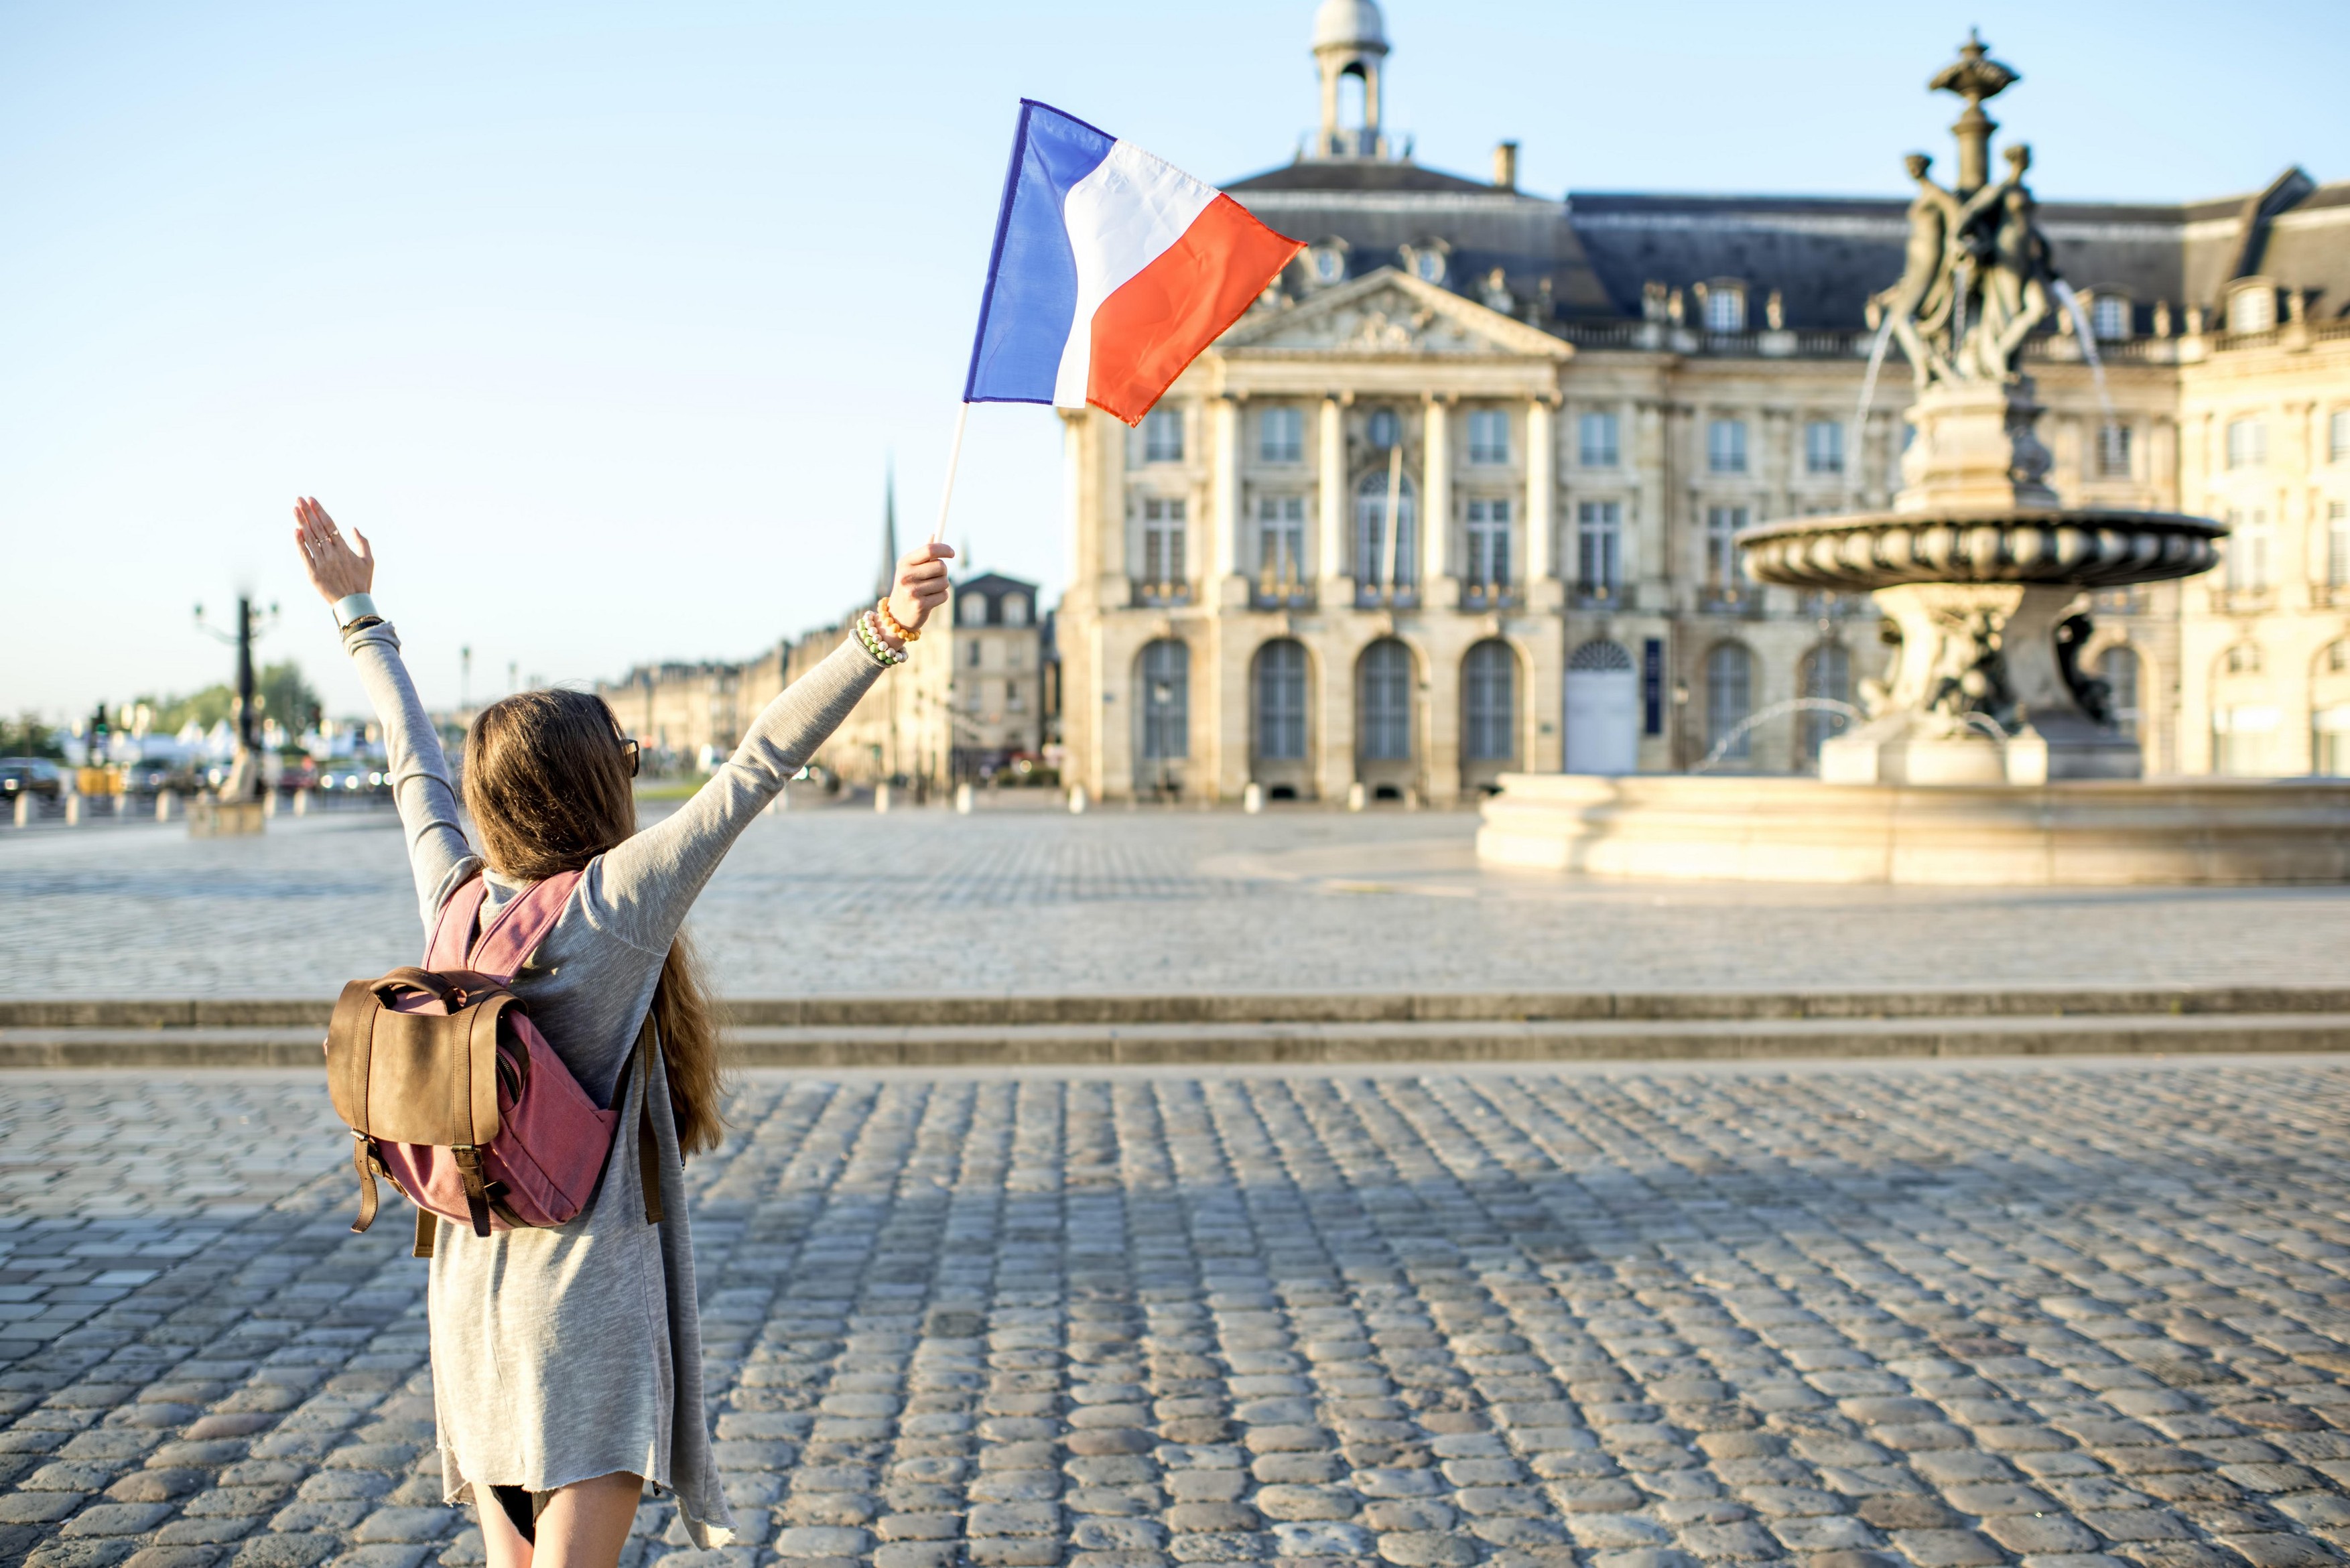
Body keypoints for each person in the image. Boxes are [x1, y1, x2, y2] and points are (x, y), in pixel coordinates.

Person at [289, 497, 951, 1568]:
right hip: (581, 1307)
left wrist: (358, 611)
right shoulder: (611, 910)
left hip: (469, 1300)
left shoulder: (452, 901)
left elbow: (411, 760)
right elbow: (758, 766)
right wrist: (884, 632)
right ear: (598, 783)